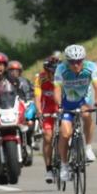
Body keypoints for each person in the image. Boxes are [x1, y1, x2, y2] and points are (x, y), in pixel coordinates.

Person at [53, 44, 97, 181]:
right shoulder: (61, 69)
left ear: (84, 60)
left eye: (79, 61)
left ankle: (88, 147)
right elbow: (57, 89)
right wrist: (58, 105)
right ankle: (64, 165)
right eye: (72, 62)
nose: (76, 65)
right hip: (66, 102)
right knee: (65, 133)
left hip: (83, 101)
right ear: (67, 61)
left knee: (87, 115)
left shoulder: (91, 67)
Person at [33, 53, 61, 183]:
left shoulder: (63, 76)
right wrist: (39, 111)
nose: (54, 75)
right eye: (51, 72)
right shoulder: (40, 78)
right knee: (47, 136)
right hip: (47, 109)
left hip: (61, 106)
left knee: (67, 132)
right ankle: (49, 169)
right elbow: (37, 97)